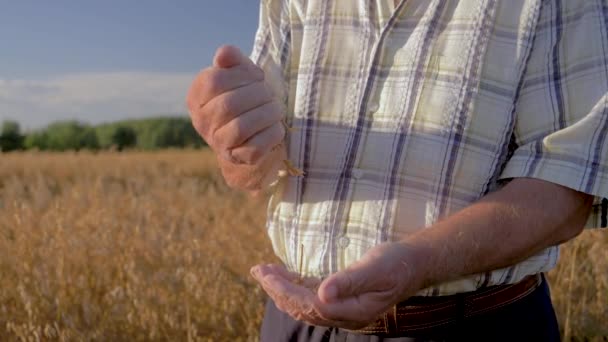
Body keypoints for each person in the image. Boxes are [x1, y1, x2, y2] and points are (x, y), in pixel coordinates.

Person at [187, 0, 608, 340]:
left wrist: (414, 263)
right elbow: (258, 170)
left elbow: (566, 188)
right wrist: (234, 141)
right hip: (292, 324)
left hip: (473, 326)